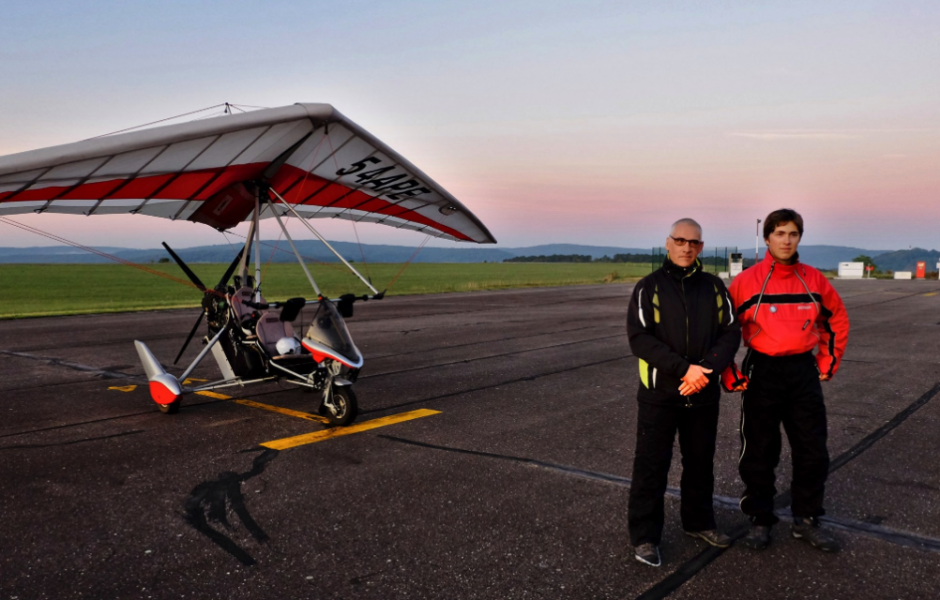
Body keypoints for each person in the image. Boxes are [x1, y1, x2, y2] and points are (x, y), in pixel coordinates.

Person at [721, 208, 849, 552]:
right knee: (760, 451)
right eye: (780, 233)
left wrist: (828, 360)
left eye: (793, 234)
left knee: (812, 450)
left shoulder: (814, 279)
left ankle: (806, 520)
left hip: (802, 373)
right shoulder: (746, 282)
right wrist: (729, 372)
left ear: (799, 238)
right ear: (767, 239)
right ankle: (760, 520)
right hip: (761, 371)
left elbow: (835, 319)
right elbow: (723, 332)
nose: (786, 240)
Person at [626, 218, 741, 567]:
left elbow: (731, 332)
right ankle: (645, 537)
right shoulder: (648, 288)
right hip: (660, 394)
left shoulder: (715, 287)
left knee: (700, 464)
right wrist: (684, 369)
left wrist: (704, 370)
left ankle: (699, 522)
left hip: (702, 394)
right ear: (668, 243)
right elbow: (640, 339)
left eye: (694, 242)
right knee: (651, 466)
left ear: (701, 248)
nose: (687, 247)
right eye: (680, 240)